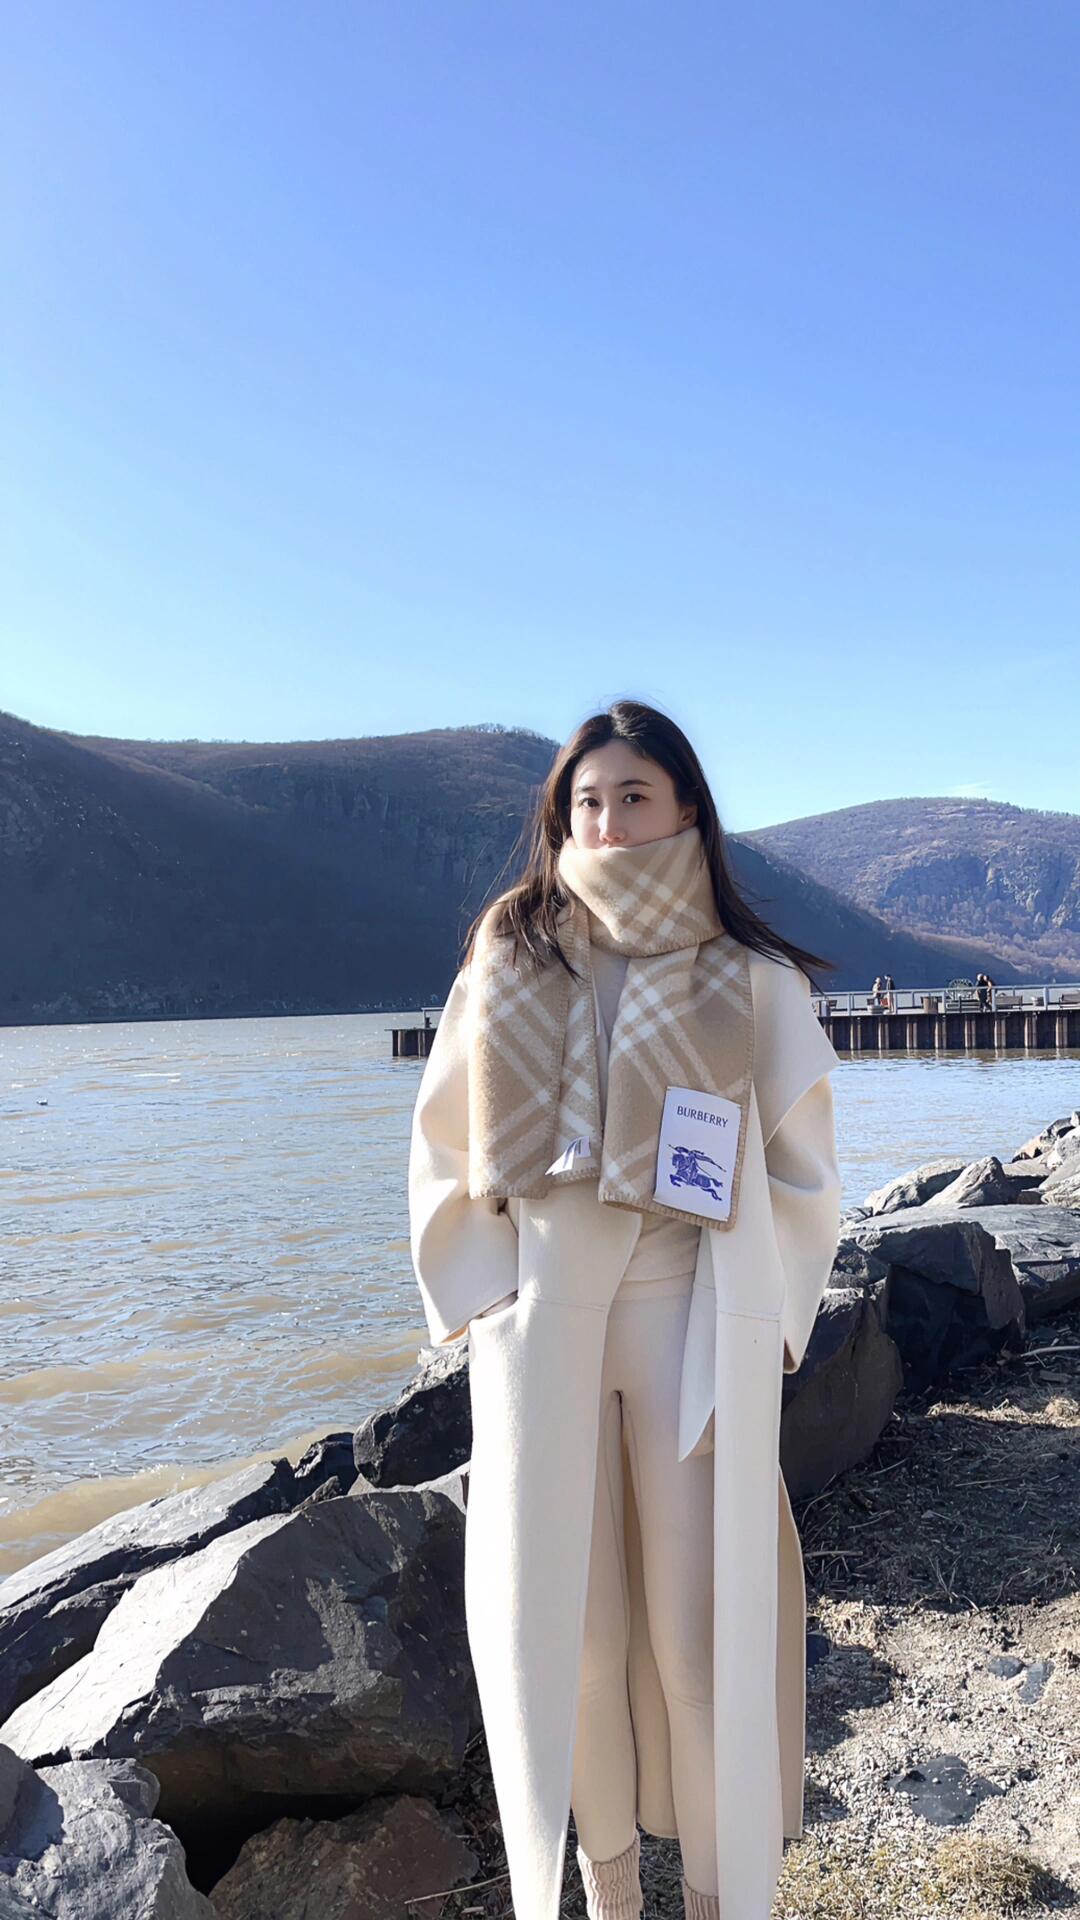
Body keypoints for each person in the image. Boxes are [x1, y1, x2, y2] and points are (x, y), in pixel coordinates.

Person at [408, 700, 843, 1920]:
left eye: (632, 797)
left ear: (686, 806)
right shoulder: (511, 954)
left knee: (699, 1636)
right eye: (585, 802)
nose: (605, 823)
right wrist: (492, 1301)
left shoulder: (748, 977)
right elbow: (442, 1150)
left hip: (682, 1322)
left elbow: (804, 1176)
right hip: (542, 1327)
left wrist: (759, 1320)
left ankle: (714, 1893)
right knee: (573, 1639)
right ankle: (607, 1896)